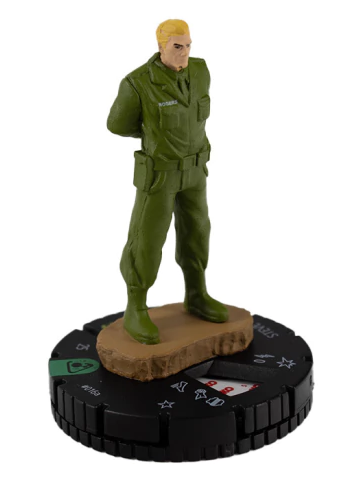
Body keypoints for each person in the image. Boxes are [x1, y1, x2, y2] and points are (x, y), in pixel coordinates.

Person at [107, 19, 228, 344]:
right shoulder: (138, 83)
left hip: (195, 171)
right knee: (146, 240)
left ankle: (197, 293)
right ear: (161, 46)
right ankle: (136, 306)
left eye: (188, 45)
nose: (184, 52)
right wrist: (153, 132)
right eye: (177, 46)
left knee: (197, 232)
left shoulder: (200, 72)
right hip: (160, 174)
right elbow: (117, 124)